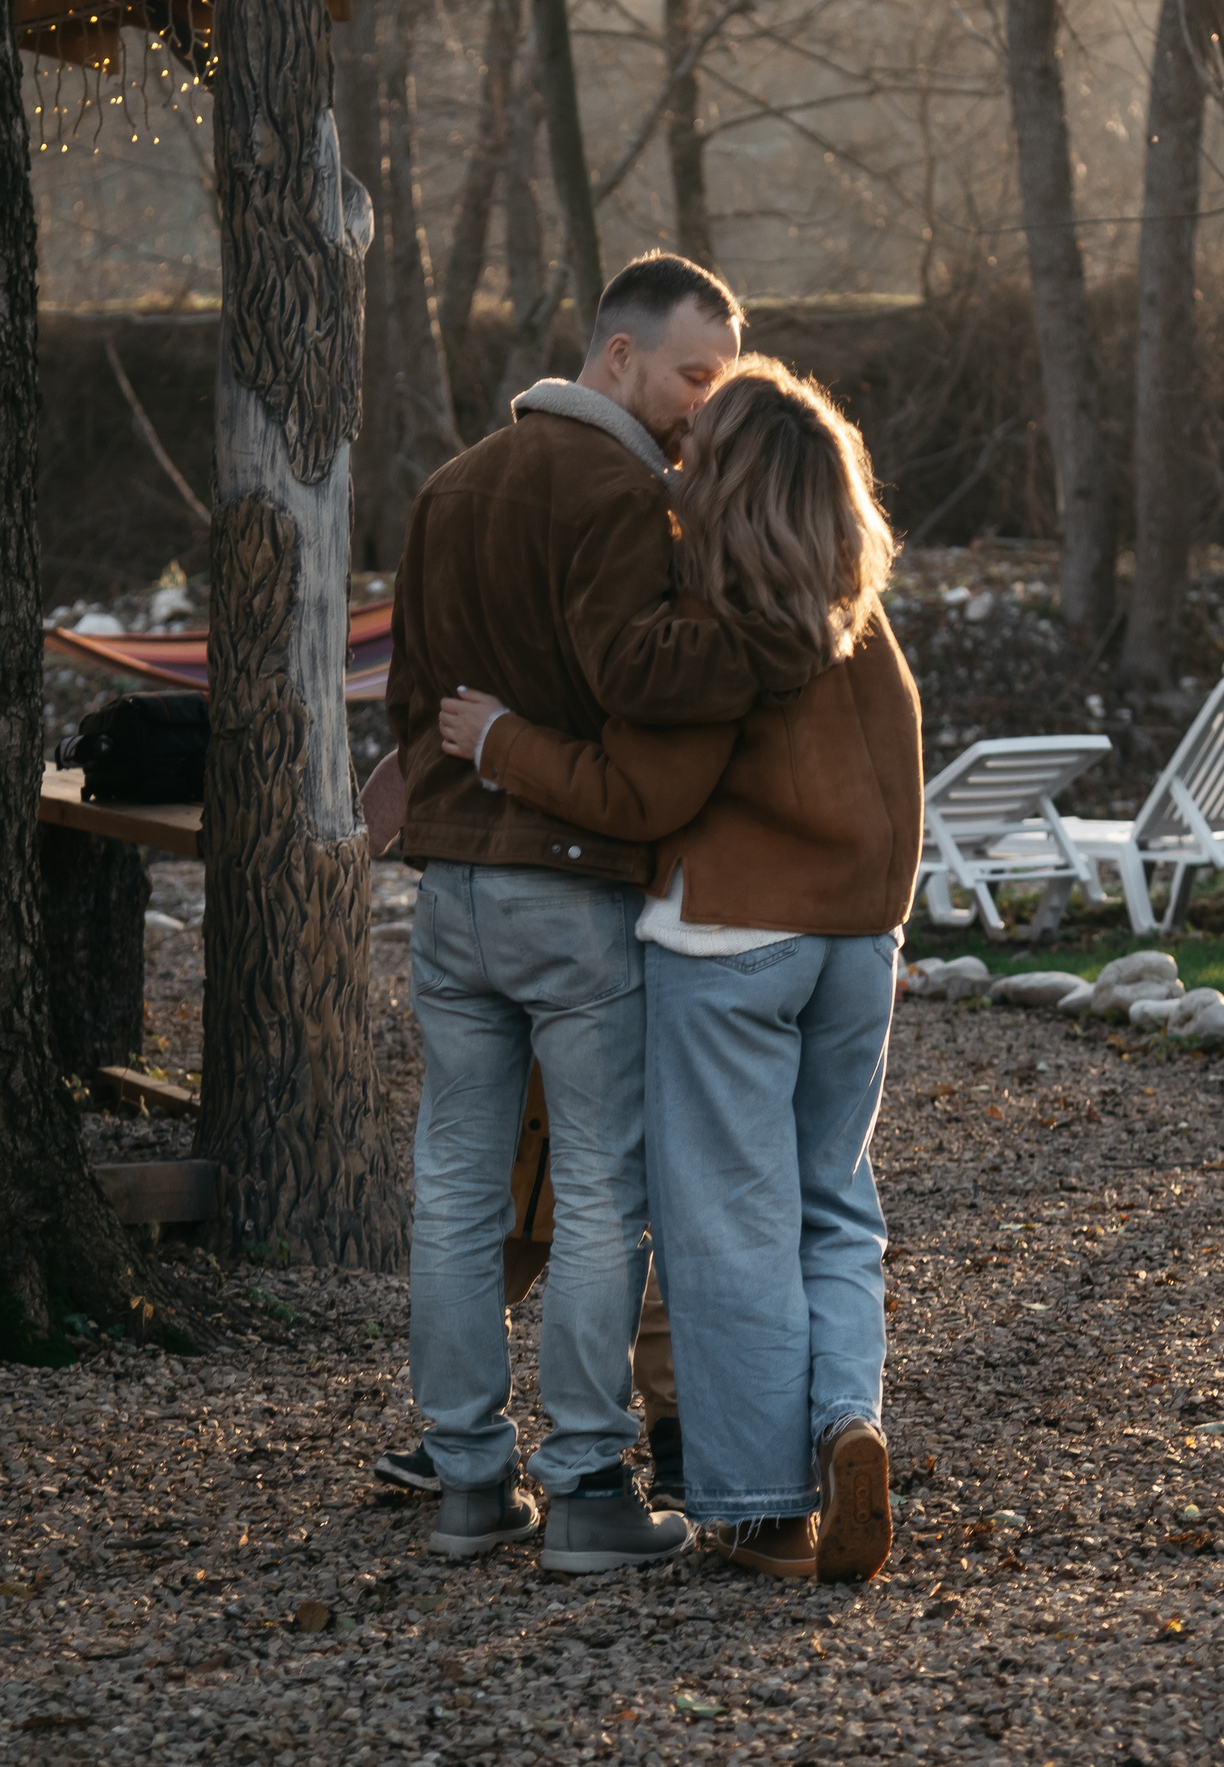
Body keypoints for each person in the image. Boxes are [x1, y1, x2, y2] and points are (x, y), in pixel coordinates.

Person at [437, 359, 921, 1582]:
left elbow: (645, 792)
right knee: (834, 1206)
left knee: (728, 1226)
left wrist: (501, 743)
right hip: (862, 943)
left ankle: (764, 1509)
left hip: (731, 942)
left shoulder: (722, 617)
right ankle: (845, 1422)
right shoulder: (859, 615)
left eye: (698, 455)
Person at [383, 253, 824, 1572]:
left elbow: (411, 708)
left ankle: (466, 1478)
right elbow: (633, 666)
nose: (707, 404)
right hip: (568, 887)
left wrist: (470, 765)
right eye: (697, 374)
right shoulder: (625, 489)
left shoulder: (449, 486)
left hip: (451, 892)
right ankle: (583, 1481)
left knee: (455, 1184)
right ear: (618, 358)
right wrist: (776, 633)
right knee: (596, 1192)